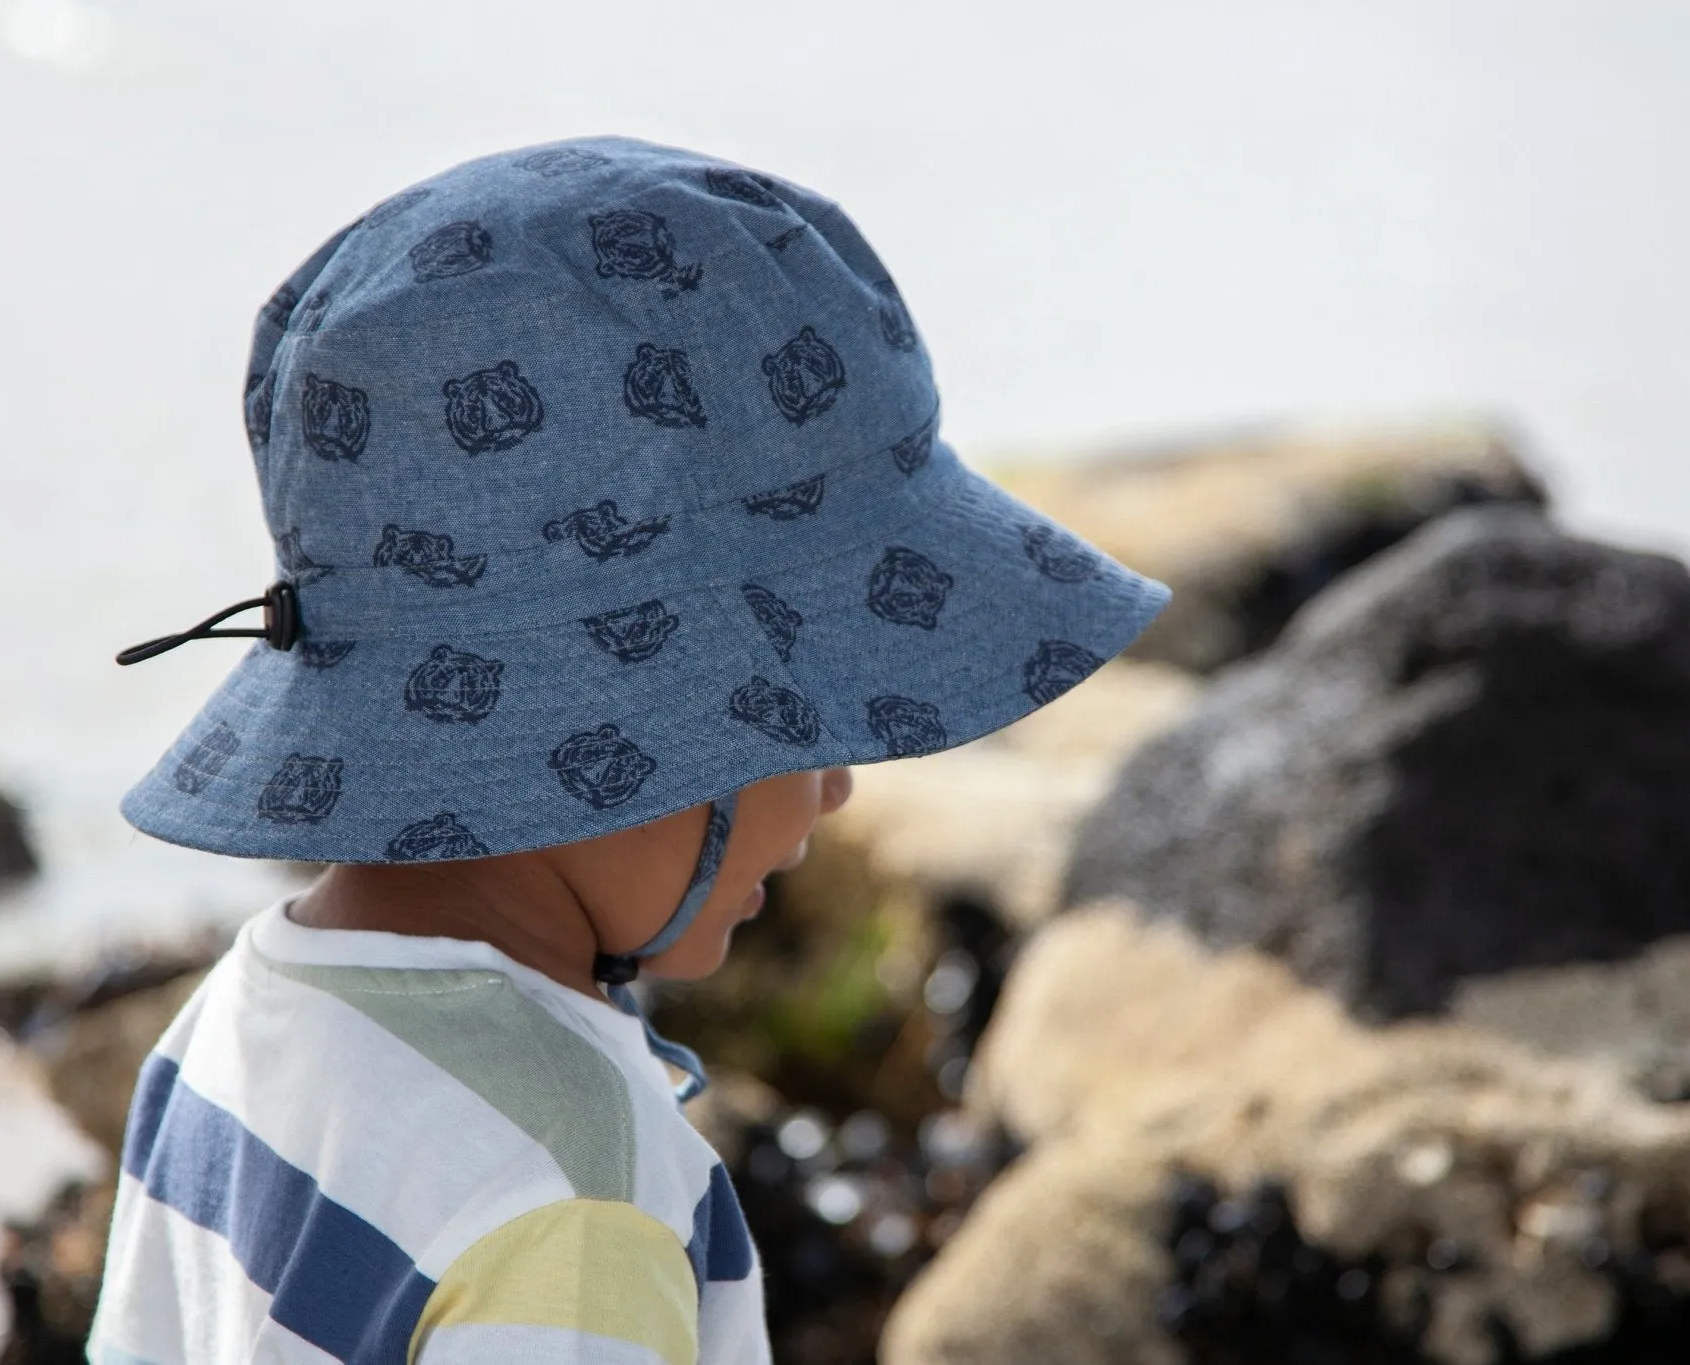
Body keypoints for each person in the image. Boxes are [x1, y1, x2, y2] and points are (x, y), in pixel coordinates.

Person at [89, 135, 1168, 1365]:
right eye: (802, 711)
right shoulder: (572, 1200)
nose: (836, 785)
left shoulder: (235, 1019)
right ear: (644, 733)